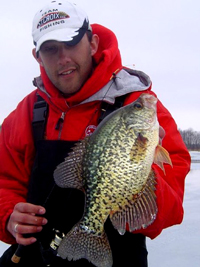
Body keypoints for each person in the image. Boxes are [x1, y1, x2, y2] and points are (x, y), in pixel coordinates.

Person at [0, 1, 191, 266]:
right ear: (37, 56)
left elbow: (172, 206)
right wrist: (8, 215)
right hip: (36, 256)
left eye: (71, 43)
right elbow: (4, 181)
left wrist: (137, 173)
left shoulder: (136, 105)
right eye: (51, 49)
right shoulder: (27, 113)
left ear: (92, 44)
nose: (63, 58)